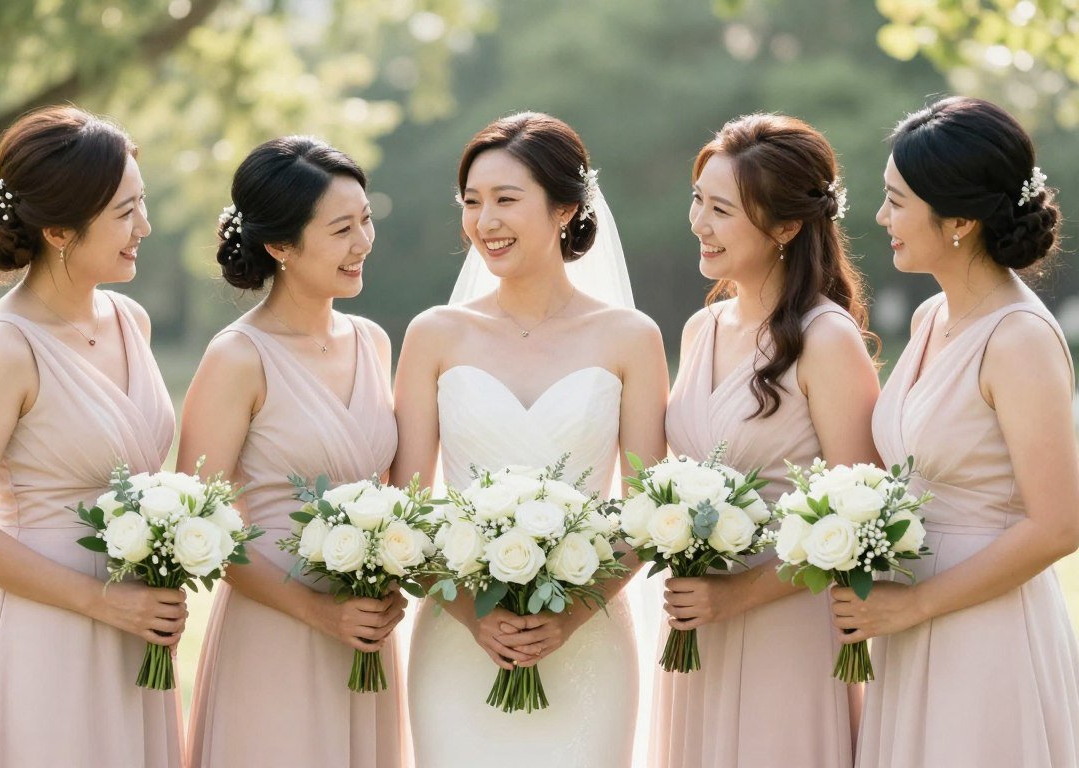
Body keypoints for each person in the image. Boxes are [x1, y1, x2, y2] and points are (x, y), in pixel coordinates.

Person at [391, 111, 669, 767]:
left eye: (506, 200)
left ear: (565, 208)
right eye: (472, 202)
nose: (485, 221)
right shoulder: (433, 335)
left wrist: (565, 619)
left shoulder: (631, 338)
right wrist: (475, 616)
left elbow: (647, 512)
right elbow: (404, 509)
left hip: (589, 640)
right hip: (457, 639)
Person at [0, 106, 182, 768]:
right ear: (60, 229)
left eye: (142, 204)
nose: (144, 227)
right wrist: (102, 602)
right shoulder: (4, 347)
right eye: (125, 212)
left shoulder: (131, 321)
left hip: (137, 627)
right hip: (45, 630)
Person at [829, 96, 1079, 767]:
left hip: (986, 629)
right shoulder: (931, 318)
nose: (881, 218)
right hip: (908, 620)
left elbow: (1060, 525)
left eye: (897, 202)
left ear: (961, 220)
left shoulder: (1019, 339)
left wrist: (915, 607)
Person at [649, 113, 881, 768]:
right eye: (698, 200)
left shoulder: (825, 339)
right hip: (697, 630)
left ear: (785, 227)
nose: (699, 223)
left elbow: (861, 519)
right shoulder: (701, 329)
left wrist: (736, 594)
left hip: (786, 629)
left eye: (721, 210)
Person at [179, 136, 407, 768]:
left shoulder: (373, 342)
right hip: (274, 631)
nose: (363, 242)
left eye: (366, 220)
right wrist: (317, 612)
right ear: (280, 245)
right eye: (341, 229)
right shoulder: (238, 357)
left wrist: (391, 575)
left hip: (365, 634)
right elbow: (198, 524)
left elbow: (395, 495)